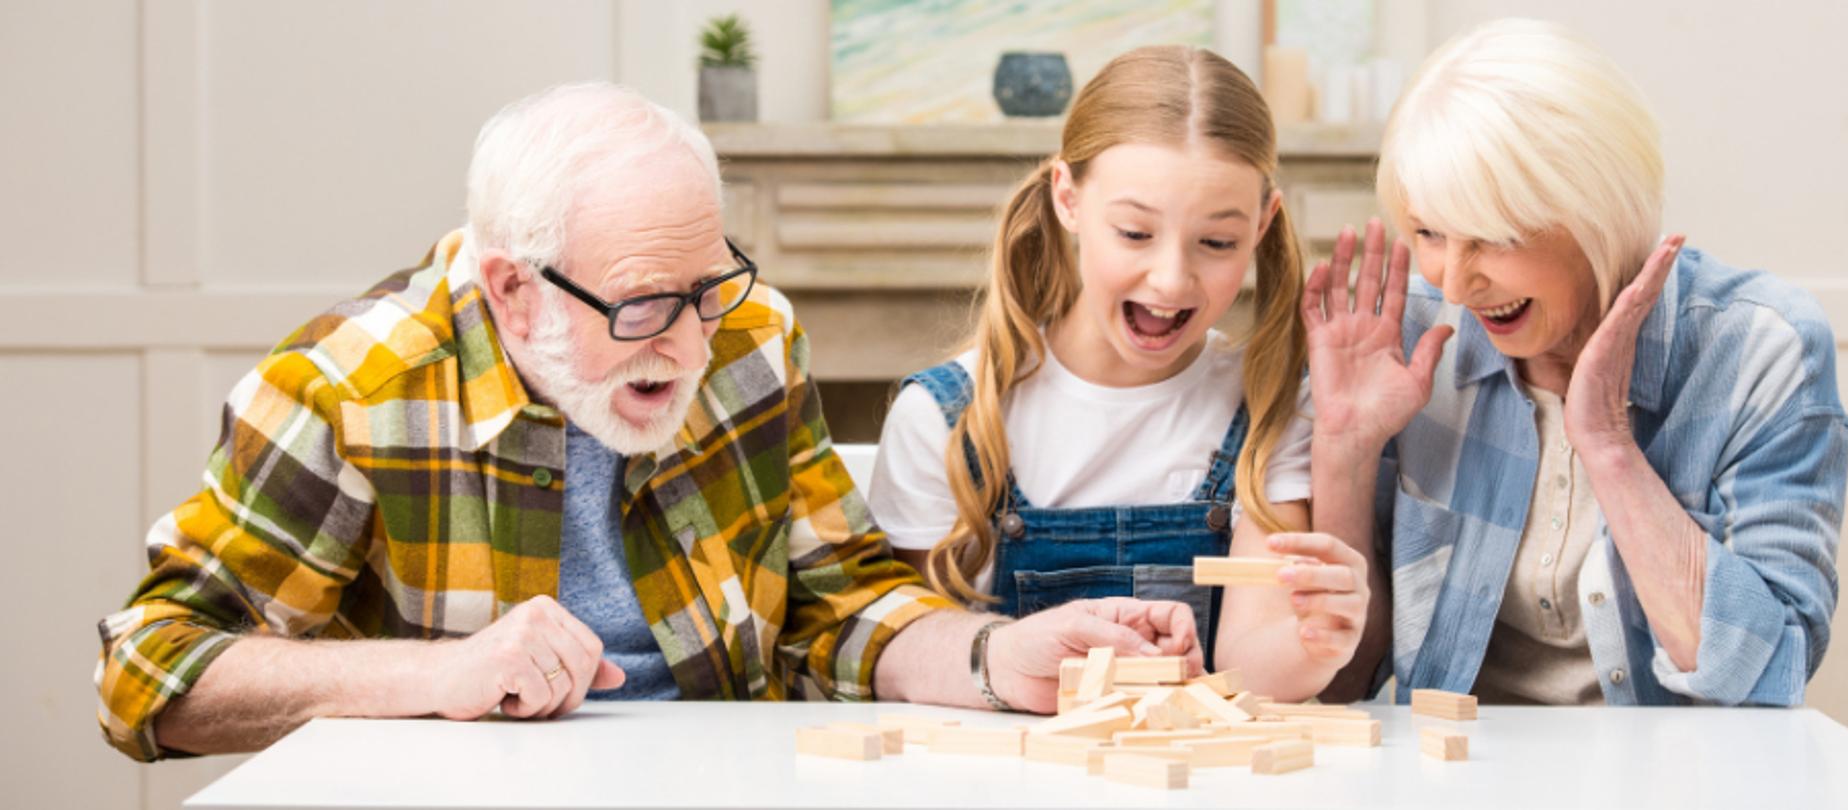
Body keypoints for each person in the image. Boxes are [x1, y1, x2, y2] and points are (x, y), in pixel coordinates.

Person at [95, 82, 1203, 762]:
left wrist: (1003, 655)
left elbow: (841, 605)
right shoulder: (351, 386)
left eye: (709, 283)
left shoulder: (748, 337)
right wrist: (433, 679)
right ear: (512, 288)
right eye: (640, 305)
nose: (688, 340)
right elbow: (148, 674)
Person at [1310, 19, 1848, 705]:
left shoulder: (1757, 350)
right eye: (1430, 233)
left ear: (1601, 210)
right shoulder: (1411, 334)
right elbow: (1343, 684)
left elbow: (1766, 678)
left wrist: (1608, 446)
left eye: (1496, 238)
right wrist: (1345, 454)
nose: (1454, 283)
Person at [866, 46, 1372, 702]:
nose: (1171, 279)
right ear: (1068, 200)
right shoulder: (945, 419)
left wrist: (1313, 644)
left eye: (1217, 243)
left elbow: (1254, 667)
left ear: (1262, 225)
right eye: (1135, 233)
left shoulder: (1270, 408)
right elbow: (912, 664)